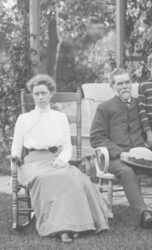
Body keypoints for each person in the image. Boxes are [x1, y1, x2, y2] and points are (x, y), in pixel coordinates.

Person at [11, 74, 109, 243]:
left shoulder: (59, 117)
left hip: (55, 158)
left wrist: (63, 159)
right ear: (32, 95)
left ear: (51, 94)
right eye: (36, 94)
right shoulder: (24, 119)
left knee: (73, 177)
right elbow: (16, 146)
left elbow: (67, 145)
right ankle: (61, 228)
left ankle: (74, 225)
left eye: (44, 93)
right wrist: (15, 159)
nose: (40, 97)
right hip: (33, 161)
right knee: (47, 178)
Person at [90, 68, 152, 230]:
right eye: (120, 83)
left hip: (140, 155)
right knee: (127, 172)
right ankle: (144, 214)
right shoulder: (105, 108)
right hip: (117, 158)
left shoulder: (140, 105)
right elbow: (96, 137)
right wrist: (119, 152)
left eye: (127, 82)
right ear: (112, 86)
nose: (124, 86)